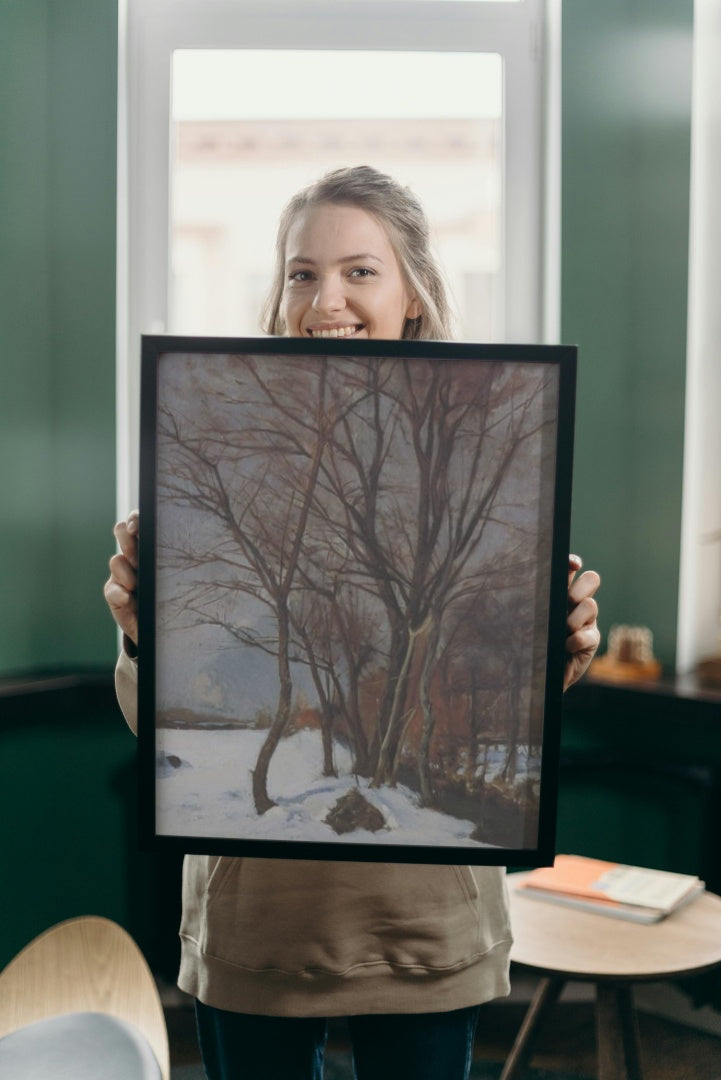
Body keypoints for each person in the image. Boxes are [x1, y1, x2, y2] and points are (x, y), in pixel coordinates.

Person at [105, 166, 601, 1080]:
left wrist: (554, 651)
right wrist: (143, 636)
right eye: (301, 272)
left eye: (359, 271)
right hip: (258, 927)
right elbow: (158, 724)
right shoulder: (209, 444)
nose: (324, 297)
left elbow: (491, 699)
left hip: (423, 925)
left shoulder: (488, 458)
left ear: (413, 292)